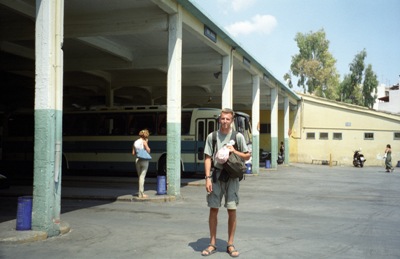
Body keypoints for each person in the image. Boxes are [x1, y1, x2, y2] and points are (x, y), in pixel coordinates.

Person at [201, 108, 250, 257]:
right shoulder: (213, 136)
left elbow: (247, 156)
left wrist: (234, 151)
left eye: (228, 119)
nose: (225, 121)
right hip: (216, 176)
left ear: (232, 120)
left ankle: (230, 244)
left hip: (232, 177)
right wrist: (207, 178)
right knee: (213, 208)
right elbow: (208, 157)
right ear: (219, 119)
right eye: (222, 118)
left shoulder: (238, 136)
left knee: (231, 209)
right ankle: (212, 244)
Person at [132, 129, 151, 198]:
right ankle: (141, 194)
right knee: (142, 177)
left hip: (137, 160)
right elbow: (148, 150)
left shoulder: (135, 142)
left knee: (140, 177)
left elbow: (133, 153)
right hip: (144, 160)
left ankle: (140, 193)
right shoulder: (144, 142)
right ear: (146, 136)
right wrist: (146, 143)